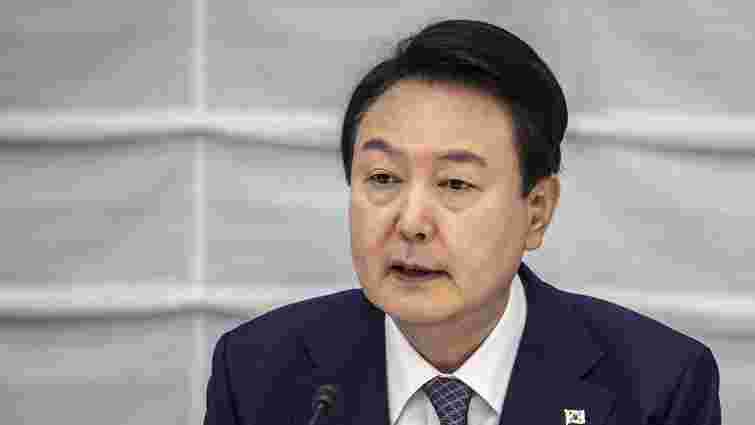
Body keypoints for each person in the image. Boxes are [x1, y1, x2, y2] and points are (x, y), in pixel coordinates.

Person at [204, 19, 720, 425]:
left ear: (537, 210)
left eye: (454, 184)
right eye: (382, 178)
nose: (411, 222)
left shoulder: (657, 388)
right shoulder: (257, 375)